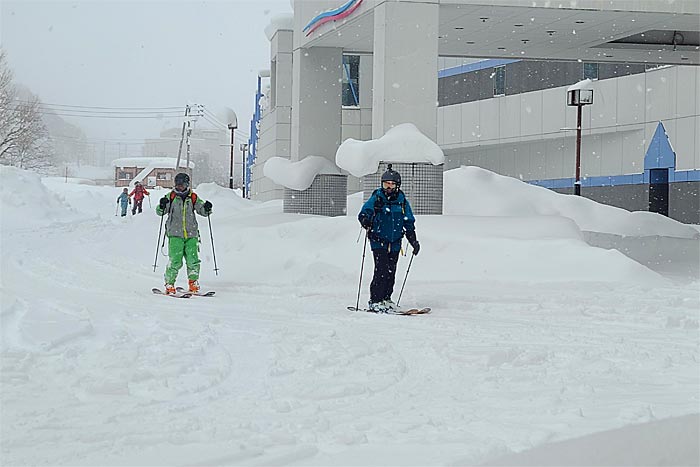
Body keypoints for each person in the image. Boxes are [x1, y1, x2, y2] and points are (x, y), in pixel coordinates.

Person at [358, 164, 420, 312]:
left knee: (391, 271)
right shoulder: (377, 198)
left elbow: (408, 221)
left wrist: (413, 241)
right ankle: (375, 300)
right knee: (381, 269)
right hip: (378, 240)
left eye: (392, 184)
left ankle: (386, 298)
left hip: (395, 242)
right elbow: (363, 213)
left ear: (397, 185)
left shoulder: (402, 201)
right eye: (386, 184)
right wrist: (365, 220)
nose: (389, 187)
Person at [155, 172, 213, 295]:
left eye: (181, 185)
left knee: (193, 260)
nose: (179, 187)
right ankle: (169, 283)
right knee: (175, 260)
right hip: (175, 235)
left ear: (187, 184)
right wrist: (161, 205)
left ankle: (193, 283)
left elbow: (202, 211)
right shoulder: (170, 196)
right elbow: (160, 212)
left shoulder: (193, 197)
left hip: (191, 234)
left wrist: (207, 208)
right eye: (177, 184)